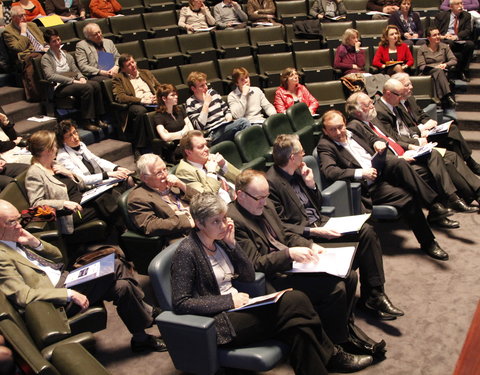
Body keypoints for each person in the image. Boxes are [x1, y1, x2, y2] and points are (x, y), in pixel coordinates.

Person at [172, 192, 374, 374]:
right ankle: (333, 354)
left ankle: (329, 358)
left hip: (241, 307)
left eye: (224, 218)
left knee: (298, 327)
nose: (224, 225)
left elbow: (249, 276)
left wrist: (233, 246)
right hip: (220, 322)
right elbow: (181, 302)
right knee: (296, 300)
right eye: (216, 221)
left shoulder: (221, 241)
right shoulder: (187, 252)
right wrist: (228, 301)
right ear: (199, 223)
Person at [227, 170, 386, 356]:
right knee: (335, 288)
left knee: (349, 276)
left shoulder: (265, 205)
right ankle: (338, 346)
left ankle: (346, 332)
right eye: (259, 198)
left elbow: (285, 235)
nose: (264, 201)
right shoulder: (235, 220)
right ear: (240, 195)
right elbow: (255, 263)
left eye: (266, 196)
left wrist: (310, 245)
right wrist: (289, 254)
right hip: (274, 277)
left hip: (293, 265)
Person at [0, 199, 166, 353]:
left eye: (18, 219)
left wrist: (35, 243)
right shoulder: (2, 255)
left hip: (65, 277)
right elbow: (23, 295)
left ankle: (140, 338)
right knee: (114, 264)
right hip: (56, 297)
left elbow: (57, 257)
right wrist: (67, 294)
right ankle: (150, 312)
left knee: (122, 287)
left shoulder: (16, 235)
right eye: (11, 222)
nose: (19, 225)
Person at [267, 134, 404, 320]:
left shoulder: (299, 172)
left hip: (323, 224)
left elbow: (317, 205)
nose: (305, 154)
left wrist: (311, 185)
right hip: (307, 236)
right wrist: (313, 231)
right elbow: (281, 226)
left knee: (366, 231)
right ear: (292, 157)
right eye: (302, 152)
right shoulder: (272, 184)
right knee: (363, 237)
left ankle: (374, 296)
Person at [317, 110, 450, 261]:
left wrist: (376, 142)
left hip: (381, 169)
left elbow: (373, 137)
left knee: (398, 162)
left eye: (340, 127)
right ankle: (428, 242)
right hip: (368, 185)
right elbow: (330, 171)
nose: (339, 132)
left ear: (345, 123)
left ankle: (433, 205)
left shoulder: (355, 128)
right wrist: (361, 173)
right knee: (408, 198)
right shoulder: (325, 145)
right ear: (325, 131)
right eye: (332, 129)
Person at [377, 77, 480, 206]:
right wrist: (417, 139)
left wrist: (417, 135)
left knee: (452, 151)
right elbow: (394, 137)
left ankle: (474, 194)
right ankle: (460, 197)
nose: (402, 96)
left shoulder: (394, 105)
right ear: (388, 93)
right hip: (406, 150)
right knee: (447, 158)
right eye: (399, 94)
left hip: (414, 140)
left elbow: (407, 128)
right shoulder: (382, 111)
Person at [392, 72, 480, 175]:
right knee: (453, 133)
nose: (411, 87)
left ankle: (464, 167)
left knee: (452, 133)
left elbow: (422, 115)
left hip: (426, 132)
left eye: (410, 83)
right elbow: (401, 131)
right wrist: (421, 129)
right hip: (416, 138)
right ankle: (470, 164)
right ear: (398, 88)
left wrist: (429, 122)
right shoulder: (395, 105)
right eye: (407, 85)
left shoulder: (410, 98)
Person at [25, 130, 103, 235]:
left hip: (83, 199)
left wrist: (70, 174)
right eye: (55, 146)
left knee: (110, 195)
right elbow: (36, 203)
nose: (57, 148)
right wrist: (64, 203)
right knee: (107, 204)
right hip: (69, 214)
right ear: (48, 150)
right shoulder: (35, 172)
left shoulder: (54, 163)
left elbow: (81, 185)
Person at [41, 29, 107, 132]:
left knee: (96, 85)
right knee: (87, 87)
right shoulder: (46, 58)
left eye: (58, 39)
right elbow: (50, 76)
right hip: (59, 86)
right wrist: (73, 81)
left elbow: (76, 70)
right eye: (54, 41)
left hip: (74, 82)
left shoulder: (66, 55)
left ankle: (99, 118)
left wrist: (81, 77)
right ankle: (87, 121)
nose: (58, 43)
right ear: (48, 43)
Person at [128, 153, 196, 241]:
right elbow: (150, 226)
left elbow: (204, 199)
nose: (165, 175)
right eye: (159, 173)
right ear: (144, 178)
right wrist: (188, 220)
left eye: (165, 169)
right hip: (182, 236)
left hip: (204, 223)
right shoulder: (138, 198)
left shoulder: (174, 184)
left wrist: (181, 184)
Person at [55, 120, 133, 187]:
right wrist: (108, 174)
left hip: (98, 181)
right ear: (63, 140)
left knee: (128, 177)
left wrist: (116, 168)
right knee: (126, 181)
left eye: (75, 132)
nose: (75, 137)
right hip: (87, 187)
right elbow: (82, 179)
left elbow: (97, 160)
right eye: (70, 136)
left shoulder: (81, 145)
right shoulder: (63, 157)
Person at [185, 71, 251, 145]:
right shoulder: (190, 103)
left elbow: (226, 109)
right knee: (243, 122)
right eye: (202, 86)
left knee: (239, 134)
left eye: (206, 84)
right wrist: (206, 104)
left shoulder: (213, 93)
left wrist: (228, 116)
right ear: (193, 88)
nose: (206, 87)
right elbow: (198, 127)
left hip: (226, 126)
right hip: (212, 133)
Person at [112, 54, 161, 153]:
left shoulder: (146, 73)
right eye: (129, 65)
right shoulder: (119, 78)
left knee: (168, 102)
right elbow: (120, 97)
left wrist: (158, 96)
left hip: (152, 101)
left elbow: (159, 87)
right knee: (140, 112)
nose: (133, 65)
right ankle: (139, 147)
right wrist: (141, 100)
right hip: (135, 104)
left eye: (133, 62)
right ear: (123, 69)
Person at [175, 130, 240, 202]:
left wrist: (223, 164)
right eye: (201, 147)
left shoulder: (210, 158)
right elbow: (206, 199)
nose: (207, 149)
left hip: (242, 196)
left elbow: (242, 179)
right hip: (226, 207)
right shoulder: (184, 171)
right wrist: (211, 172)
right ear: (188, 152)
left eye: (206, 145)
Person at [2, 5, 48, 101]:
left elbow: (42, 41)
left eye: (25, 15)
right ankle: (37, 95)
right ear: (13, 17)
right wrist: (23, 31)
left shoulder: (32, 25)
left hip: (42, 50)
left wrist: (46, 47)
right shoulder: (8, 32)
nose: (24, 18)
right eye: (20, 16)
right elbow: (19, 48)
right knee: (36, 57)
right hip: (26, 56)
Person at [416, 27, 457, 108]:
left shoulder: (445, 47)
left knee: (438, 73)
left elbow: (454, 60)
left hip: (441, 71)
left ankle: (438, 101)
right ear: (428, 38)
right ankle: (448, 95)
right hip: (427, 72)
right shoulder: (422, 49)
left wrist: (445, 64)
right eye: (434, 35)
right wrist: (435, 67)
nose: (438, 36)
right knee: (438, 71)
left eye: (438, 34)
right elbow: (421, 66)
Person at [434, 0, 474, 82]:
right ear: (451, 7)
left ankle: (462, 71)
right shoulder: (441, 16)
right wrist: (442, 36)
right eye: (457, 4)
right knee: (449, 43)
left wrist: (456, 36)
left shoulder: (466, 15)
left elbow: (468, 30)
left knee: (470, 44)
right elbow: (433, 29)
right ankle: (449, 71)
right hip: (445, 39)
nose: (461, 6)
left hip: (458, 39)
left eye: (461, 3)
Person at [154, 83, 194, 163]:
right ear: (164, 98)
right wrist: (183, 132)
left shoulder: (180, 110)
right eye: (172, 95)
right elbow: (165, 137)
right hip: (174, 148)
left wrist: (172, 135)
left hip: (187, 143)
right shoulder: (159, 116)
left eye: (176, 94)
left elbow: (191, 129)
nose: (176, 97)